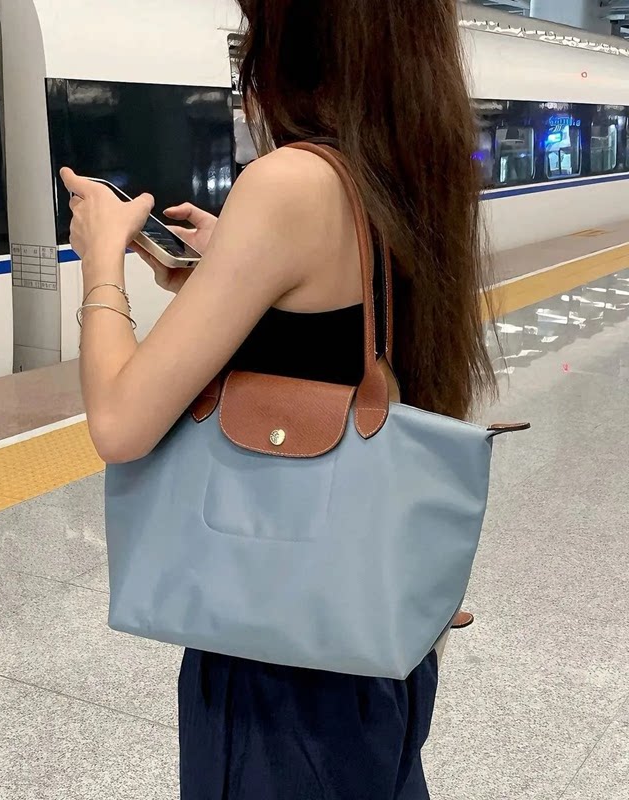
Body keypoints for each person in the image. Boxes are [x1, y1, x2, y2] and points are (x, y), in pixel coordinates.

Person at [60, 0, 495, 796]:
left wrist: (101, 260)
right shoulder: (409, 166)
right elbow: (344, 328)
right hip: (369, 631)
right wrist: (233, 269)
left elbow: (120, 425)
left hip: (278, 654)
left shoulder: (290, 181)